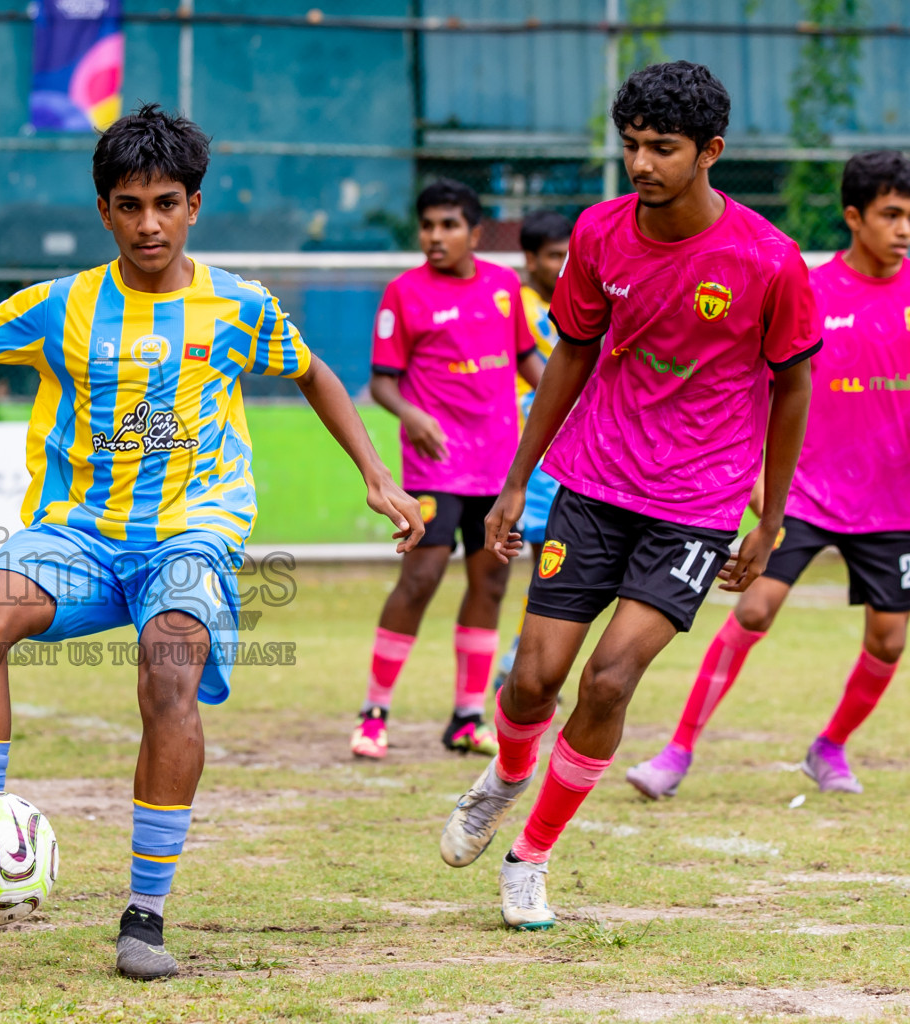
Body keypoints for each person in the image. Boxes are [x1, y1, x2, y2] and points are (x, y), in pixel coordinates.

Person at [0, 104, 424, 979]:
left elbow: (315, 374)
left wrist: (375, 474)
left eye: (167, 203)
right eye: (130, 204)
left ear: (194, 206)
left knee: (170, 668)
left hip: (192, 532)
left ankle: (144, 915)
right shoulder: (60, 306)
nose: (149, 222)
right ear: (104, 211)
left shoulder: (239, 306)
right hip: (76, 534)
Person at [437, 61, 820, 930]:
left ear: (710, 152)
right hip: (595, 485)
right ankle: (503, 776)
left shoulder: (768, 260)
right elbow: (569, 355)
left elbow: (792, 386)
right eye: (632, 146)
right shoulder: (600, 235)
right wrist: (516, 478)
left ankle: (530, 856)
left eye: (662, 149)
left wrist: (771, 514)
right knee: (534, 682)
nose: (641, 164)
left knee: (609, 682)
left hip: (698, 505)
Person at [627, 150, 910, 799]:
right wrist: (755, 473)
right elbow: (769, 382)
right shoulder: (813, 287)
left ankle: (829, 748)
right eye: (891, 215)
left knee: (890, 640)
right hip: (807, 491)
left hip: (894, 503)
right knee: (754, 608)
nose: (903, 229)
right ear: (853, 216)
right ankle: (676, 753)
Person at [351, 179, 546, 762]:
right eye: (428, 226)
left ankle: (467, 718)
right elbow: (382, 381)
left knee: (490, 582)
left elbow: (528, 360)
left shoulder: (505, 287)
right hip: (436, 468)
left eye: (449, 225)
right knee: (421, 579)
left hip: (499, 469)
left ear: (474, 232)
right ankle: (374, 714)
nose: (436, 237)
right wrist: (412, 414)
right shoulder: (404, 293)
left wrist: (574, 404)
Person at [491, 209, 574, 695]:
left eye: (569, 257)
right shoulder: (512, 305)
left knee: (553, 563)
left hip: (567, 458)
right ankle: (513, 662)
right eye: (553, 257)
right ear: (530, 259)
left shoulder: (584, 303)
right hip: (519, 457)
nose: (563, 267)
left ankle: (523, 657)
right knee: (514, 564)